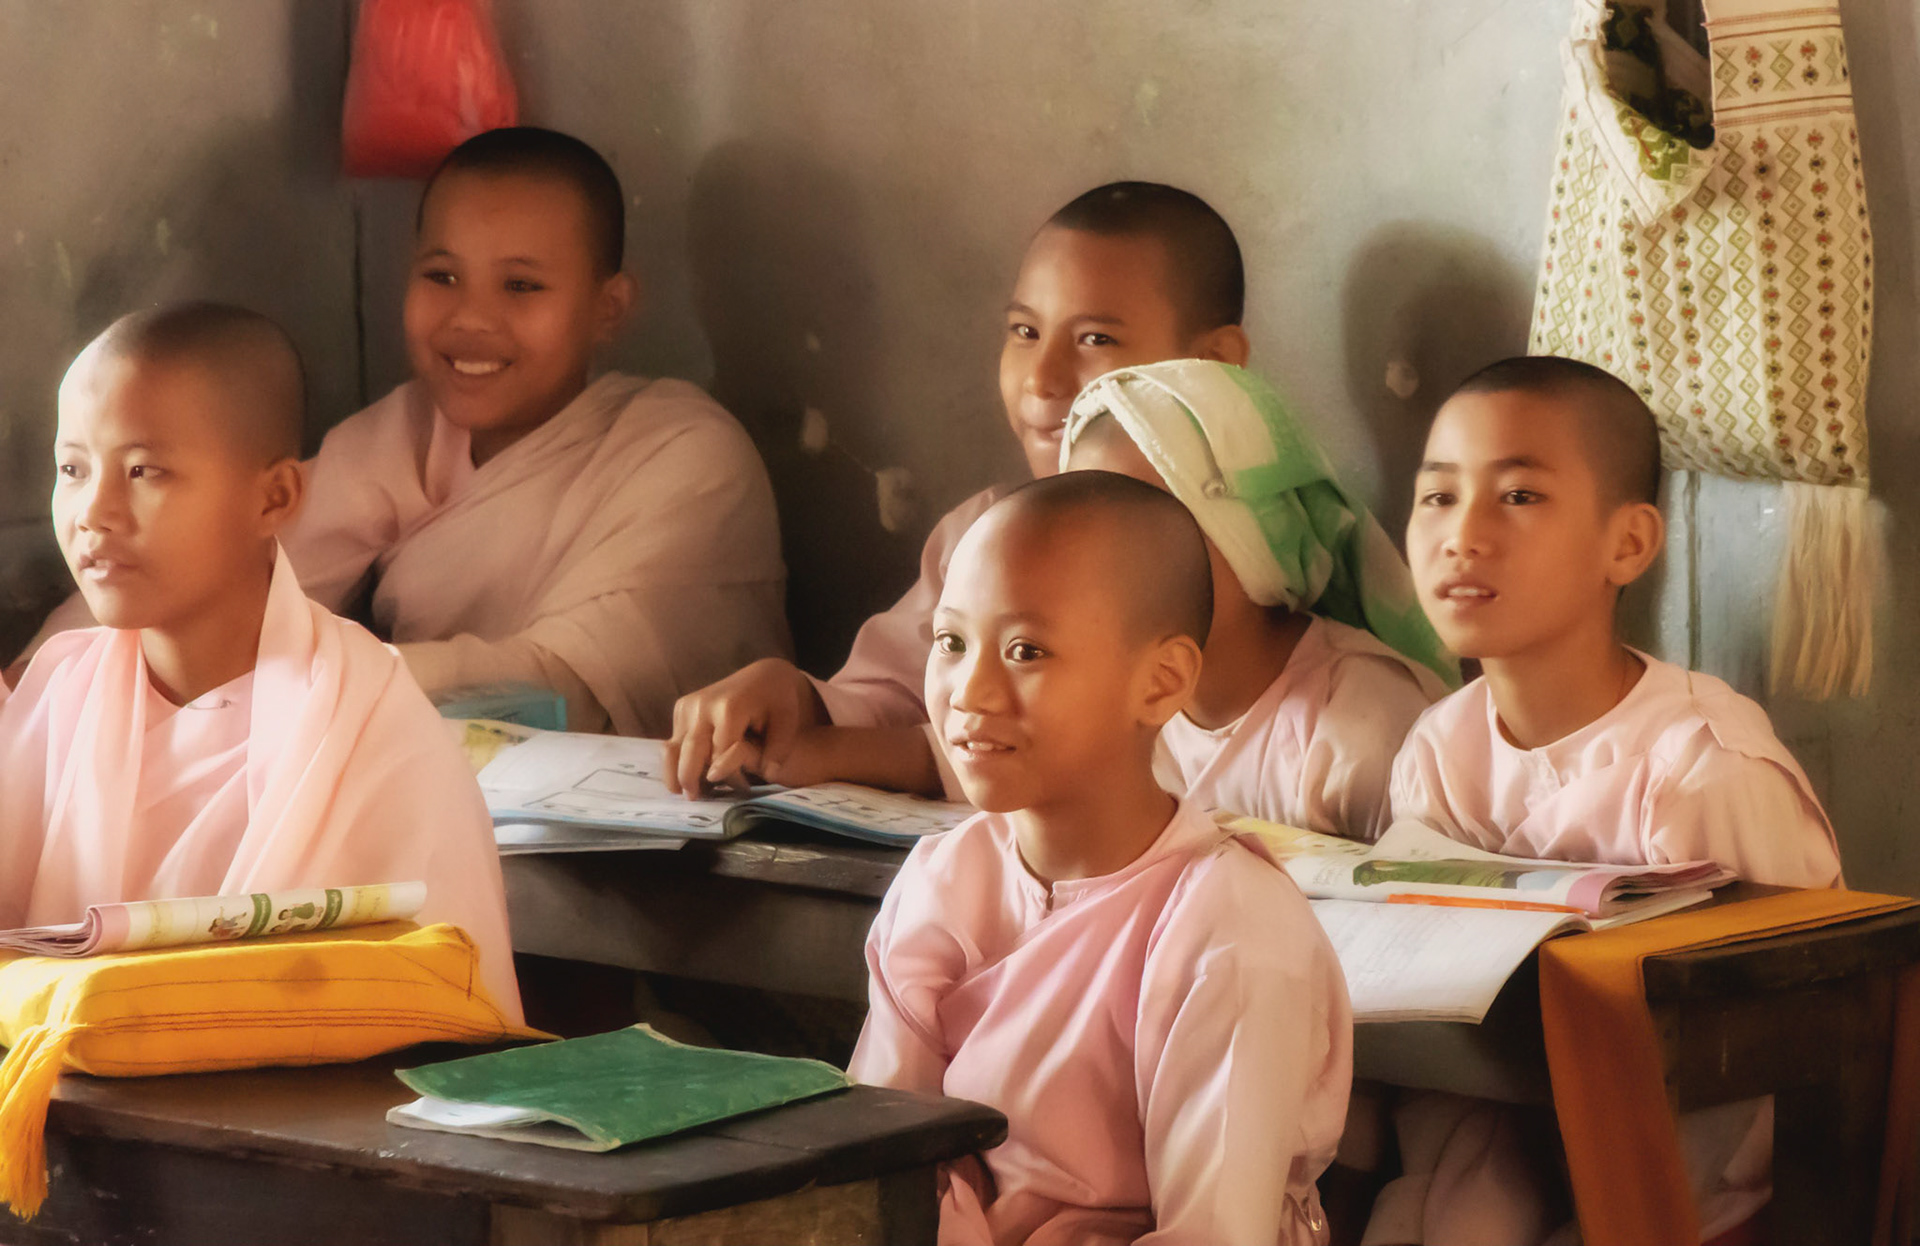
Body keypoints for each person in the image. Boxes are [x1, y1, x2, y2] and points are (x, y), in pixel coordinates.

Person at [1368, 355, 1841, 1245]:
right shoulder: (1438, 747)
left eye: (1518, 497)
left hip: (1694, 1182)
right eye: (1437, 497)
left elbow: (1802, 1040)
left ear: (1626, 544)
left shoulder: (1698, 769)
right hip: (1501, 1138)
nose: (1461, 535)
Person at [848, 471, 1352, 1244]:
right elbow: (879, 1163)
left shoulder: (1231, 927)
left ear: (1160, 682)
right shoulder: (943, 880)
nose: (969, 691)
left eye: (1025, 650)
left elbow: (1214, 1235)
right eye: (951, 642)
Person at [0, 304, 521, 1020]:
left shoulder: (365, 726)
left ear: (274, 497)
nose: (95, 511)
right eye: (73, 468)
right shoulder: (55, 697)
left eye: (144, 470)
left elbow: (431, 1007)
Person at [666, 181, 1252, 794]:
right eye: (1025, 332)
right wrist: (795, 699)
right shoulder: (989, 529)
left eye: (1095, 340)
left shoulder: (1249, 561)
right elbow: (896, 695)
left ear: (1214, 361)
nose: (1043, 380)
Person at [1060, 359, 1454, 838]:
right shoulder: (1108, 708)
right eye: (1084, 535)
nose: (1109, 569)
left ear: (1254, 536)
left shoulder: (1360, 722)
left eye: (1150, 529)